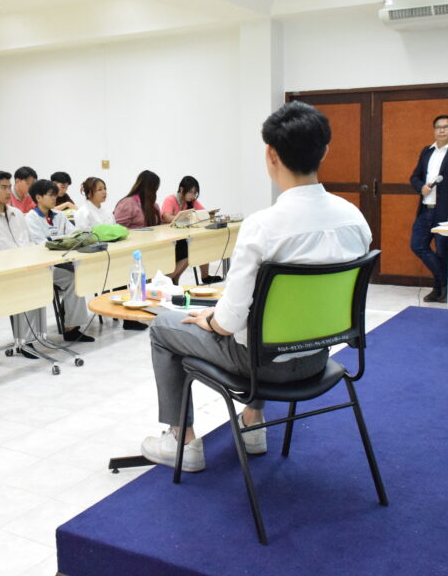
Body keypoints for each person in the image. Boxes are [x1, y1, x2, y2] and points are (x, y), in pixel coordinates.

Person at [140, 101, 372, 472]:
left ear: (271, 154)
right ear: (325, 151)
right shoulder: (355, 219)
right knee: (265, 325)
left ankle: (183, 442)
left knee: (164, 326)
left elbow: (228, 323)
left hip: (262, 368)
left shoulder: (263, 226)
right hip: (319, 358)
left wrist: (210, 320)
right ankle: (253, 424)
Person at [0, 171, 46, 355]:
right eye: (3, 188)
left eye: (9, 187)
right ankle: (26, 343)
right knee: (27, 284)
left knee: (61, 275)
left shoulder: (17, 214)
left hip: (27, 266)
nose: (8, 192)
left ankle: (65, 330)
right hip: (3, 272)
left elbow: (30, 242)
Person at [24, 179, 95, 343]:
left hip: (61, 261)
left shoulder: (60, 215)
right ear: (38, 197)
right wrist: (62, 240)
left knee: (78, 276)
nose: (54, 198)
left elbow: (75, 235)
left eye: (55, 195)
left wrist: (58, 240)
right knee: (72, 278)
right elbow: (42, 244)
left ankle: (72, 327)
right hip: (42, 267)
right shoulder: (31, 218)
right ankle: (67, 326)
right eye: (50, 195)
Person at [409, 115, 448, 302]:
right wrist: (421, 187)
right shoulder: (427, 151)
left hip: (446, 212)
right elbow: (414, 177)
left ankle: (439, 289)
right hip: (426, 209)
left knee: (443, 252)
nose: (441, 130)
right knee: (417, 245)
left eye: (446, 127)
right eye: (438, 127)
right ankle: (444, 282)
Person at [161, 176, 221, 285]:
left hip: (183, 237)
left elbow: (203, 212)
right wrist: (185, 218)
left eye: (195, 193)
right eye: (190, 192)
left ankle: (204, 276)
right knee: (190, 250)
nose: (193, 196)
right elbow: (166, 217)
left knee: (201, 245)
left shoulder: (192, 202)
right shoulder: (170, 199)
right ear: (182, 189)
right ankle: (166, 281)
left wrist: (209, 214)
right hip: (170, 239)